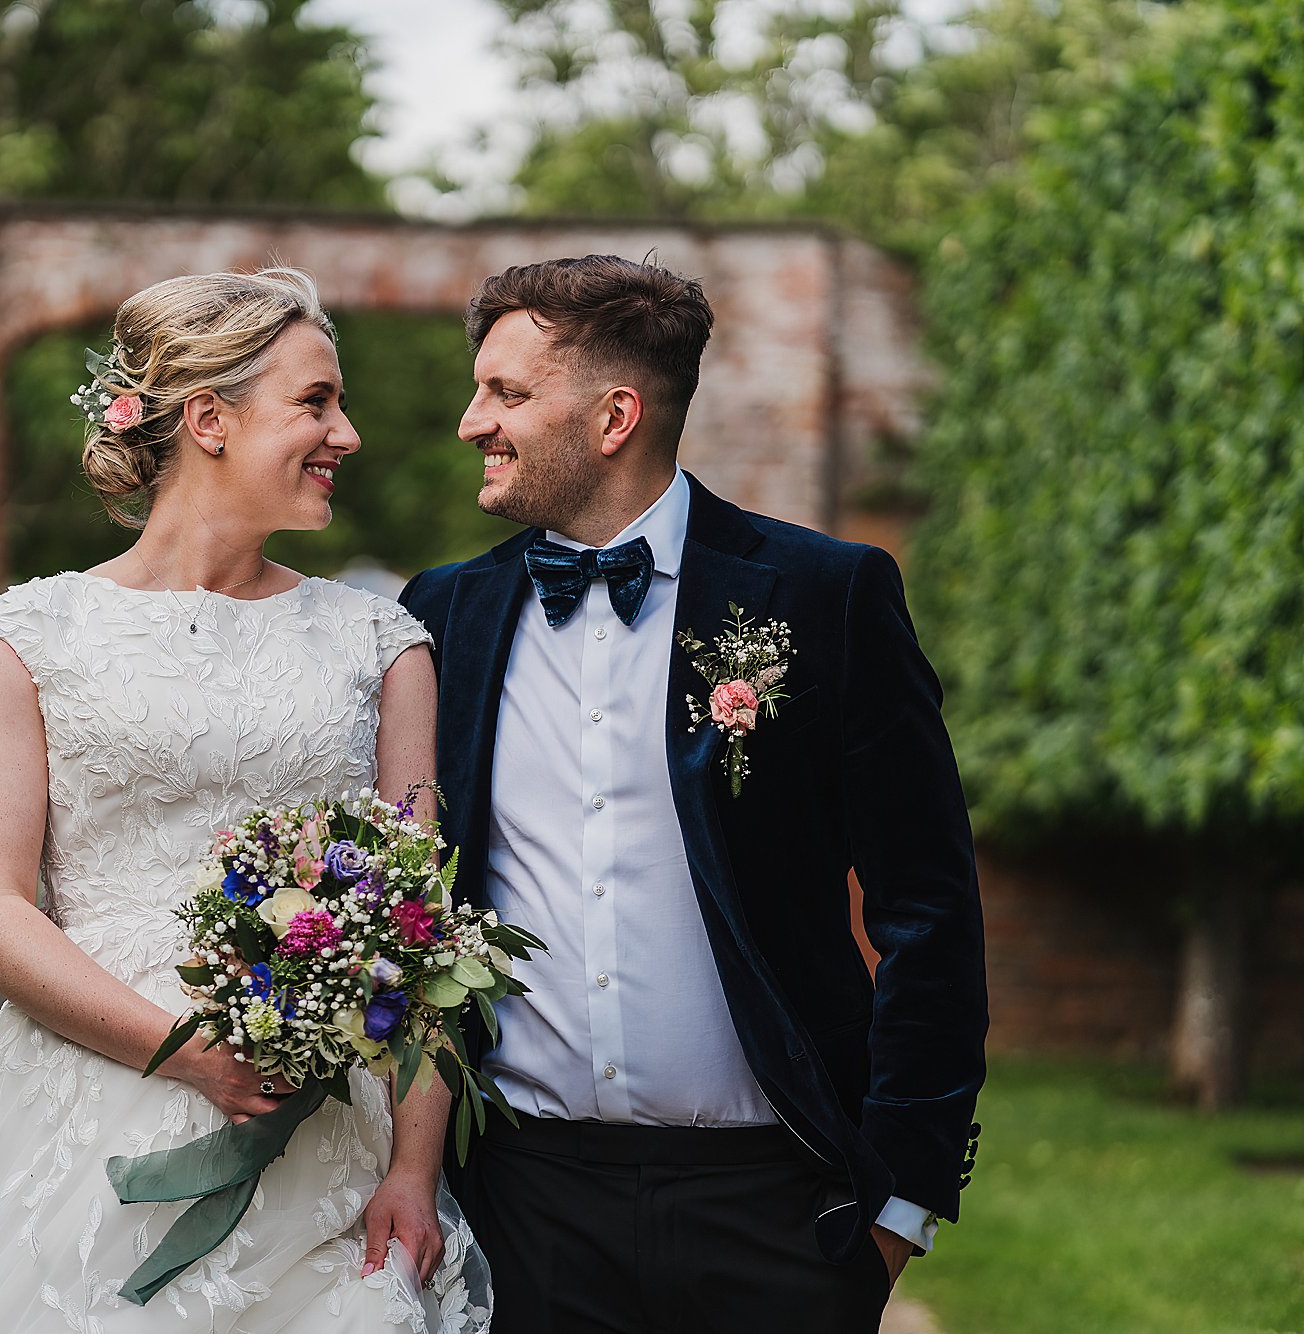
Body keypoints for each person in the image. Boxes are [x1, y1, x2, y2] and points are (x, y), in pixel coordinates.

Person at [0, 268, 492, 1333]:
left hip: (325, 1151)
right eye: (315, 402)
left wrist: (411, 1169)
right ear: (210, 419)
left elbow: (420, 934)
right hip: (76, 1113)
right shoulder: (28, 638)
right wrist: (191, 1053)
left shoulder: (381, 644)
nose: (345, 434)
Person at [399, 255, 987, 1334]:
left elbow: (929, 908)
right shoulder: (441, 615)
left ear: (614, 416)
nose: (472, 421)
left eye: (507, 393)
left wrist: (902, 1200)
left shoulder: (823, 597)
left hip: (776, 1209)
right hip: (525, 1208)